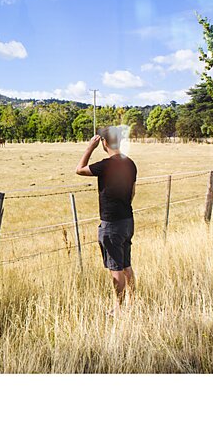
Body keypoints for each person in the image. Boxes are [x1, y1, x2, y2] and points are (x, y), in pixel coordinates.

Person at [75, 126, 137, 315]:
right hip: (127, 219)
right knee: (126, 264)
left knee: (115, 267)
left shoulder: (105, 165)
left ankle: (118, 308)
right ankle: (132, 303)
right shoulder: (130, 163)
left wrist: (88, 149)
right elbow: (133, 191)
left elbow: (79, 169)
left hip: (111, 223)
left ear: (104, 142)